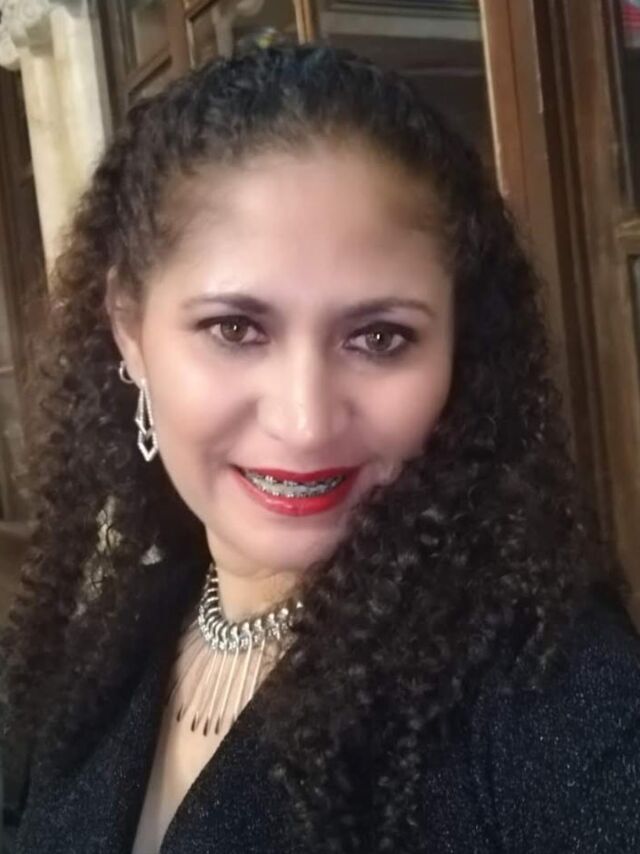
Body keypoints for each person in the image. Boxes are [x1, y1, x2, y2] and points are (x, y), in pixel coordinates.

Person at [3, 42, 640, 854]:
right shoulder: (94, 653)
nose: (305, 422)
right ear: (129, 328)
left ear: (459, 349)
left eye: (379, 337)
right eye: (235, 329)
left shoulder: (557, 694)